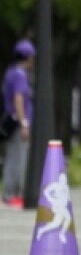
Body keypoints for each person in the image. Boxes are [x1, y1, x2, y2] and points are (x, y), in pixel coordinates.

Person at [2, 40, 35, 208]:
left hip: (10, 120)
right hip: (18, 121)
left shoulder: (10, 72)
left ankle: (8, 193)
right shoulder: (20, 75)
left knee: (11, 156)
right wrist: (24, 123)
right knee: (19, 158)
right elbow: (18, 98)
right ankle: (14, 193)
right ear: (28, 57)